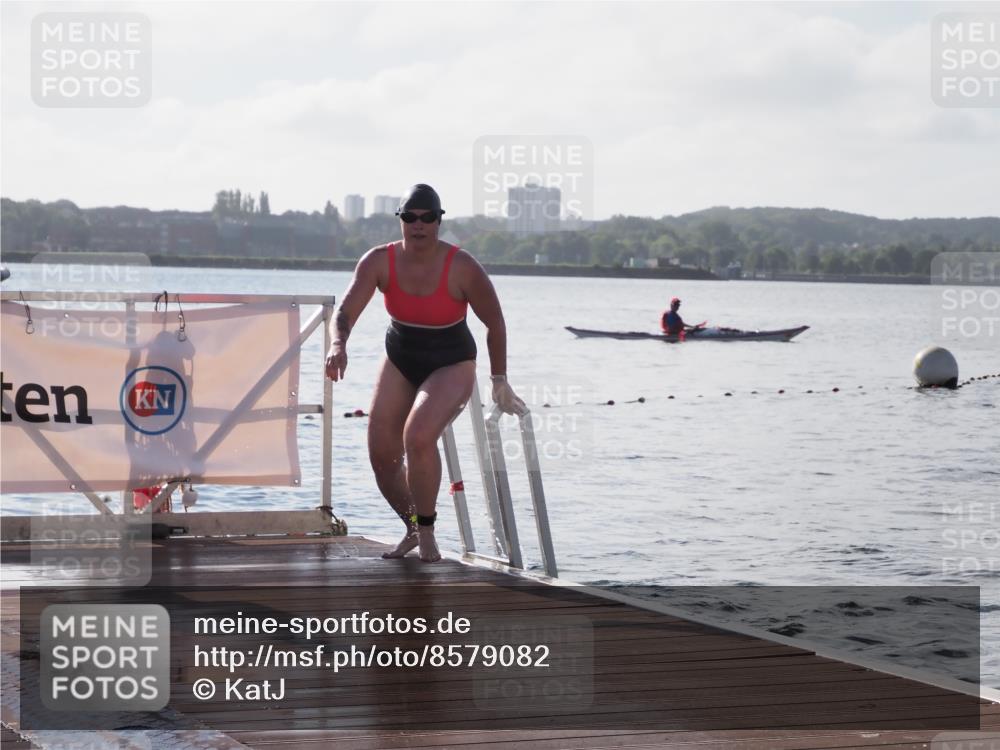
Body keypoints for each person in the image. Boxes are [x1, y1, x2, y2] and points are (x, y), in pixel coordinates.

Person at [325, 184, 525, 563]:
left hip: (452, 362)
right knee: (382, 456)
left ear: (438, 220)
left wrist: (499, 380)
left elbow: (495, 322)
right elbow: (345, 312)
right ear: (400, 220)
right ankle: (413, 527)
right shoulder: (378, 261)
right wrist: (338, 344)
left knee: (417, 437)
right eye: (410, 218)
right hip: (401, 357)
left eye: (427, 218)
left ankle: (429, 533)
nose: (419, 225)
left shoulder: (462, 266)